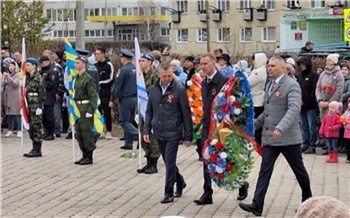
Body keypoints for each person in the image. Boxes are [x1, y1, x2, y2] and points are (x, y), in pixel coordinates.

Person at [239, 56, 312, 216]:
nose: (269, 68)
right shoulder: (270, 84)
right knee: (265, 171)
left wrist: (281, 127)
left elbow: (293, 109)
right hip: (270, 138)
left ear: (282, 68)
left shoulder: (291, 85)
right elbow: (268, 112)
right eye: (268, 65)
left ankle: (308, 200)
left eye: (272, 66)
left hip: (288, 138)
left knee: (299, 171)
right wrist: (251, 127)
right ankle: (257, 205)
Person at [194, 54, 247, 205]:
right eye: (200, 64)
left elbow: (235, 102)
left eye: (205, 64)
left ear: (214, 64)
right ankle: (207, 192)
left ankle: (242, 184)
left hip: (222, 127)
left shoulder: (225, 82)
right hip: (207, 126)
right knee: (207, 158)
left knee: (227, 157)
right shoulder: (204, 83)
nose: (202, 67)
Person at [143, 62, 193, 204]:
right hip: (158, 131)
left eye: (169, 76)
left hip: (173, 132)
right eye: (164, 76)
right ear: (158, 75)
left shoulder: (179, 89)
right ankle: (180, 181)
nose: (167, 79)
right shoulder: (153, 89)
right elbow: (149, 111)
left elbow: (186, 113)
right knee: (167, 161)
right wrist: (146, 129)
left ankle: (168, 192)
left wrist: (187, 135)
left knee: (170, 163)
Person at [109, 49, 138, 150]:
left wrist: (112, 99)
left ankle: (138, 135)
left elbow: (117, 86)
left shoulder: (123, 70)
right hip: (135, 98)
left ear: (124, 58)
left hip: (126, 98)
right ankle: (128, 143)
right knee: (129, 120)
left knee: (124, 121)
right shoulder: (136, 69)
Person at [137, 52, 160, 174]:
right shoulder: (140, 77)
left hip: (152, 111)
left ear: (150, 62)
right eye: (140, 61)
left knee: (152, 137)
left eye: (143, 61)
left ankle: (154, 164)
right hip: (142, 111)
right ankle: (148, 162)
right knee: (143, 136)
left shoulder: (154, 77)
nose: (141, 63)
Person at [73, 56, 98, 165]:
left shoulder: (88, 78)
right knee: (79, 133)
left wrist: (90, 110)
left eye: (78, 63)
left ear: (84, 64)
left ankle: (89, 156)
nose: (76, 65)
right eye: (75, 63)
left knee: (86, 133)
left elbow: (93, 96)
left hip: (85, 107)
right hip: (78, 108)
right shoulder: (77, 78)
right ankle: (84, 154)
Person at [296, 57, 319, 154]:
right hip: (301, 105)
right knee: (303, 126)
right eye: (300, 65)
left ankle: (312, 144)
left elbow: (314, 91)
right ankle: (305, 143)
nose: (301, 66)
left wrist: (306, 101)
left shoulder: (314, 75)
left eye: (303, 64)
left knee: (311, 126)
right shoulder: (300, 76)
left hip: (311, 106)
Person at [23, 58, 45, 158]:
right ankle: (34, 147)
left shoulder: (38, 77)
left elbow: (42, 93)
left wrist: (40, 106)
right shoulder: (28, 78)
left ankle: (37, 149)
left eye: (28, 65)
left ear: (34, 66)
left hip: (35, 105)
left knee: (37, 127)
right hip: (29, 105)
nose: (26, 67)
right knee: (31, 127)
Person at [42, 50, 65, 138]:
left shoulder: (56, 67)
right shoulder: (42, 69)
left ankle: (56, 131)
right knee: (46, 114)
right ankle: (46, 131)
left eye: (47, 57)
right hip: (45, 95)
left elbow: (61, 81)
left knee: (55, 114)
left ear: (51, 57)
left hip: (54, 94)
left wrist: (59, 93)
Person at [94, 47, 114, 140]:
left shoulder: (109, 65)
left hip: (106, 92)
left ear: (103, 54)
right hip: (96, 93)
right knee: (98, 112)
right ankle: (100, 130)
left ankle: (109, 131)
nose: (96, 56)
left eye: (98, 54)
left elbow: (111, 78)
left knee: (107, 112)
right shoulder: (94, 65)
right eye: (95, 54)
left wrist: (101, 83)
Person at [316, 54, 344, 120]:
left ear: (334, 62)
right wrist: (319, 100)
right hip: (322, 104)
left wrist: (329, 103)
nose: (327, 62)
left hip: (333, 105)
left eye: (329, 60)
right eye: (327, 60)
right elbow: (318, 88)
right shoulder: (323, 74)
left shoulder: (339, 74)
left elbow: (339, 90)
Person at [248, 53, 267, 147]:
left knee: (257, 123)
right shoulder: (262, 70)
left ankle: (257, 142)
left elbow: (248, 82)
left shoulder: (258, 72)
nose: (253, 62)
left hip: (256, 100)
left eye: (254, 59)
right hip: (257, 98)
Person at [39, 55, 60, 141]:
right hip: (43, 96)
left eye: (42, 62)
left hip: (49, 96)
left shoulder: (52, 71)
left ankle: (51, 133)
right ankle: (46, 131)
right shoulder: (41, 71)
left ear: (47, 62)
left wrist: (41, 85)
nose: (41, 64)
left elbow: (51, 84)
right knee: (44, 116)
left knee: (49, 115)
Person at [2, 60, 21, 138]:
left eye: (12, 66)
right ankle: (10, 129)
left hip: (15, 95)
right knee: (9, 114)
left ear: (15, 67)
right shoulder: (7, 74)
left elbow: (15, 83)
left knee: (17, 113)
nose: (10, 67)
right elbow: (3, 83)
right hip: (7, 95)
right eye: (9, 66)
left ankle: (19, 130)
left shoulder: (18, 74)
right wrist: (4, 77)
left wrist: (8, 77)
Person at [341, 97, 350, 163]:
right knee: (347, 146)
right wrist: (343, 122)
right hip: (347, 133)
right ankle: (348, 157)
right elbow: (342, 118)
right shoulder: (346, 112)